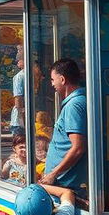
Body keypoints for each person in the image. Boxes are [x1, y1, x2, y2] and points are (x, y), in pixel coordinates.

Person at [39, 59, 87, 199]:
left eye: (53, 79)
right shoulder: (74, 103)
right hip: (61, 184)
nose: (52, 83)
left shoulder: (74, 106)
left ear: (62, 79)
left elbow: (78, 147)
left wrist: (54, 173)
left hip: (66, 186)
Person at [11, 48, 25, 135]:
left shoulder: (19, 77)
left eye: (19, 60)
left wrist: (21, 118)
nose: (17, 63)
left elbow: (18, 99)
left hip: (19, 120)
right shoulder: (36, 74)